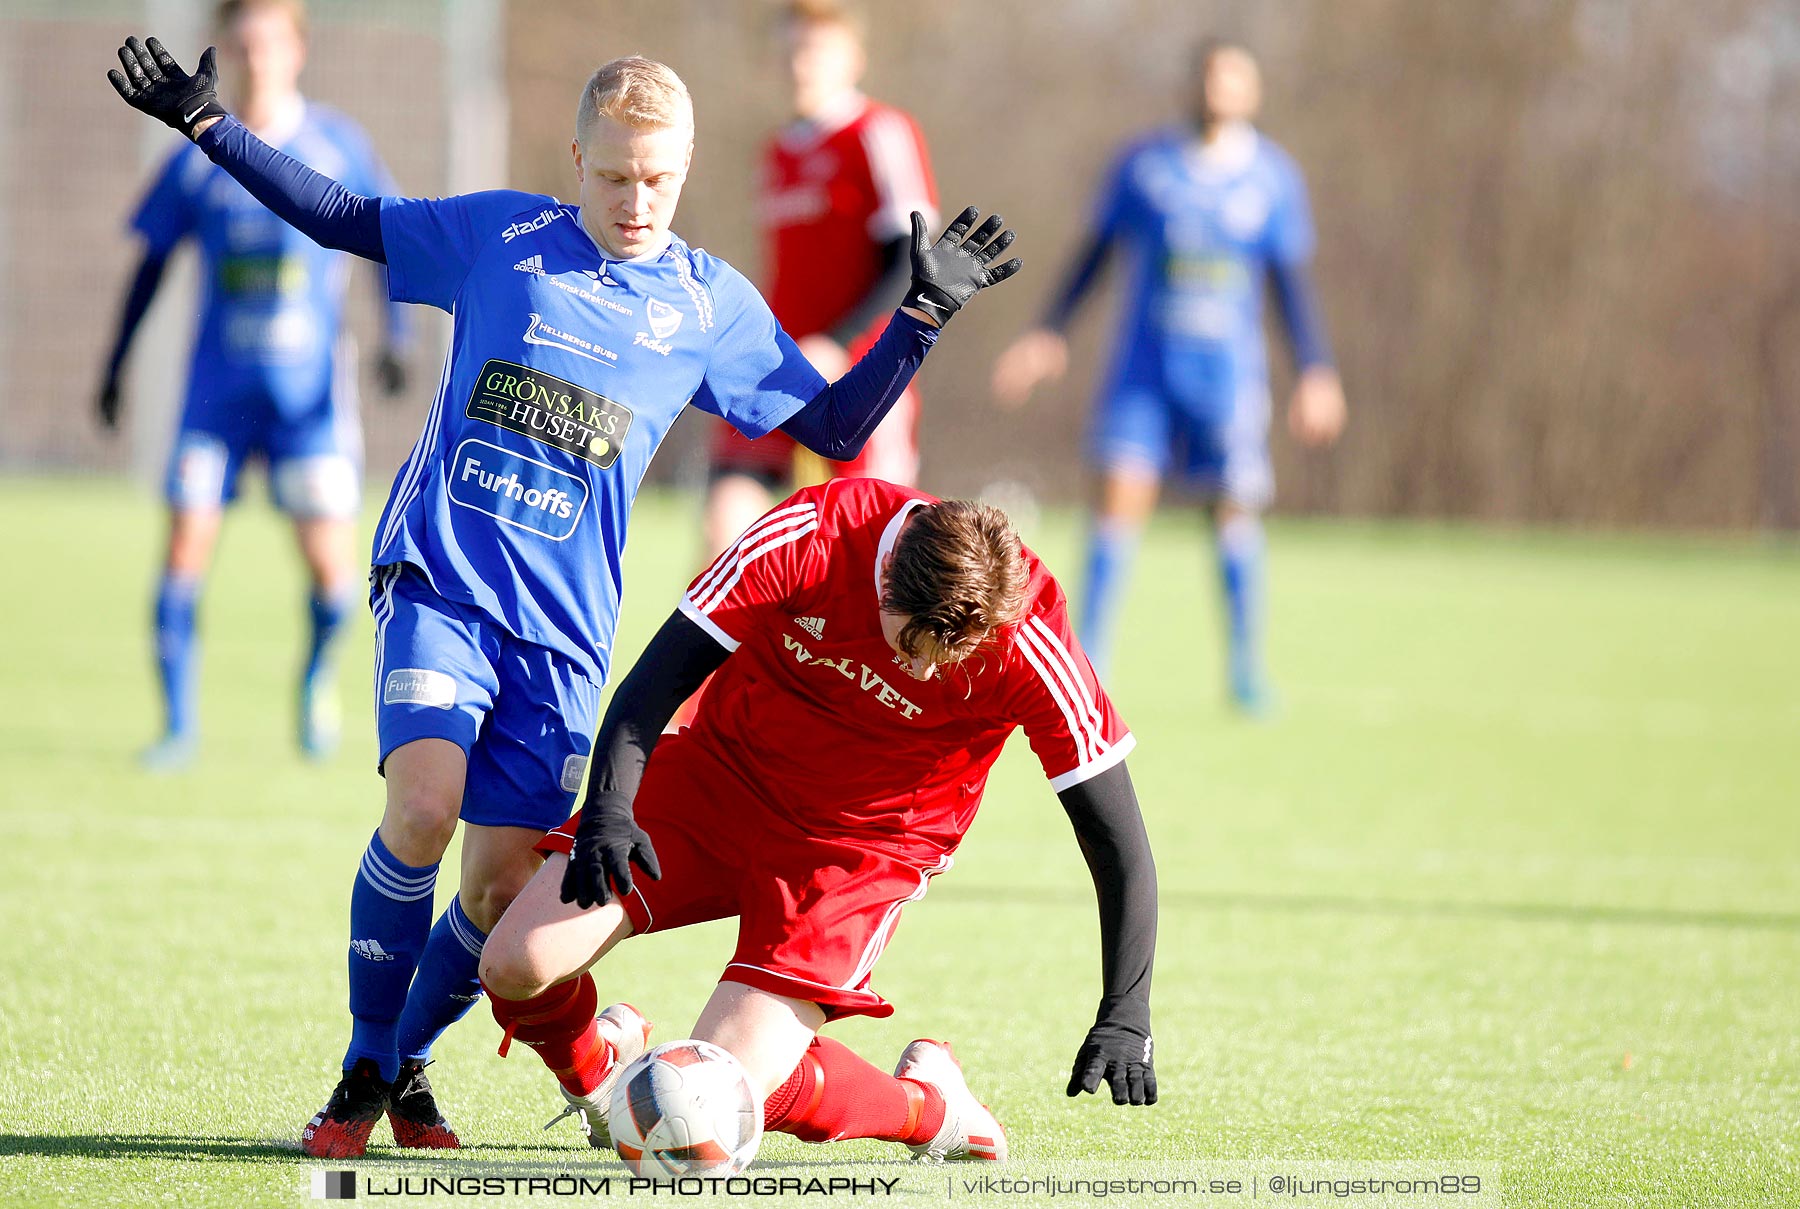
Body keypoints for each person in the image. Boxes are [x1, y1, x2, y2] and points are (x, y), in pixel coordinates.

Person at [105, 36, 1020, 1157]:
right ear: (577, 156)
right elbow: (344, 216)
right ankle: (362, 1067)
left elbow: (830, 428)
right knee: (425, 807)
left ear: (684, 172)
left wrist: (918, 320)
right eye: (617, 175)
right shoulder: (500, 235)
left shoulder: (704, 303)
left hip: (566, 635)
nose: (638, 200)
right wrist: (211, 127)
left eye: (661, 180)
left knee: (495, 889)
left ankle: (410, 1069)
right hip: (443, 580)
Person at [478, 478, 1159, 1163]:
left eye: (944, 656)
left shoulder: (1030, 639)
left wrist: (1125, 1012)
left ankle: (930, 1108)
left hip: (859, 848)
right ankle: (599, 1075)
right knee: (515, 961)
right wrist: (609, 807)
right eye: (908, 643)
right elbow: (658, 678)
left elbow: (1116, 840)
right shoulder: (812, 534)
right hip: (721, 774)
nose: (921, 671)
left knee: (722, 1094)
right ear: (885, 579)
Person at [97, 0, 411, 769]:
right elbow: (150, 266)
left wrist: (395, 339)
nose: (255, 57)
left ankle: (313, 683)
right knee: (182, 553)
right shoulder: (193, 151)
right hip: (216, 398)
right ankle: (177, 726)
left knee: (335, 577)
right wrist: (114, 364)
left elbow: (389, 238)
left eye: (269, 41)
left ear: (297, 50)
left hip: (307, 402)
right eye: (242, 43)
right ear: (228, 53)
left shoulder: (338, 145)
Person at [991, 38, 1346, 710]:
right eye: (1213, 76)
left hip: (1229, 381)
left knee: (1232, 511)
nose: (1222, 90)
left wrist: (1316, 370)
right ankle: (1089, 665)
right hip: (1144, 375)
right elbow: (1094, 254)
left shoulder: (1272, 178)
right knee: (1118, 502)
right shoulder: (1146, 167)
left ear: (1254, 92)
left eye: (1237, 79)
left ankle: (1245, 670)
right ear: (1195, 85)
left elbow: (1291, 286)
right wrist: (1048, 332)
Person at [702, 0, 938, 560]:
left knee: (879, 551)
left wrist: (837, 343)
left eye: (811, 50)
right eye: (787, 50)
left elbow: (912, 261)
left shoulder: (880, 132)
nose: (797, 64)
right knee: (725, 531)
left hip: (861, 366)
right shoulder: (777, 151)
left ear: (852, 58)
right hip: (776, 364)